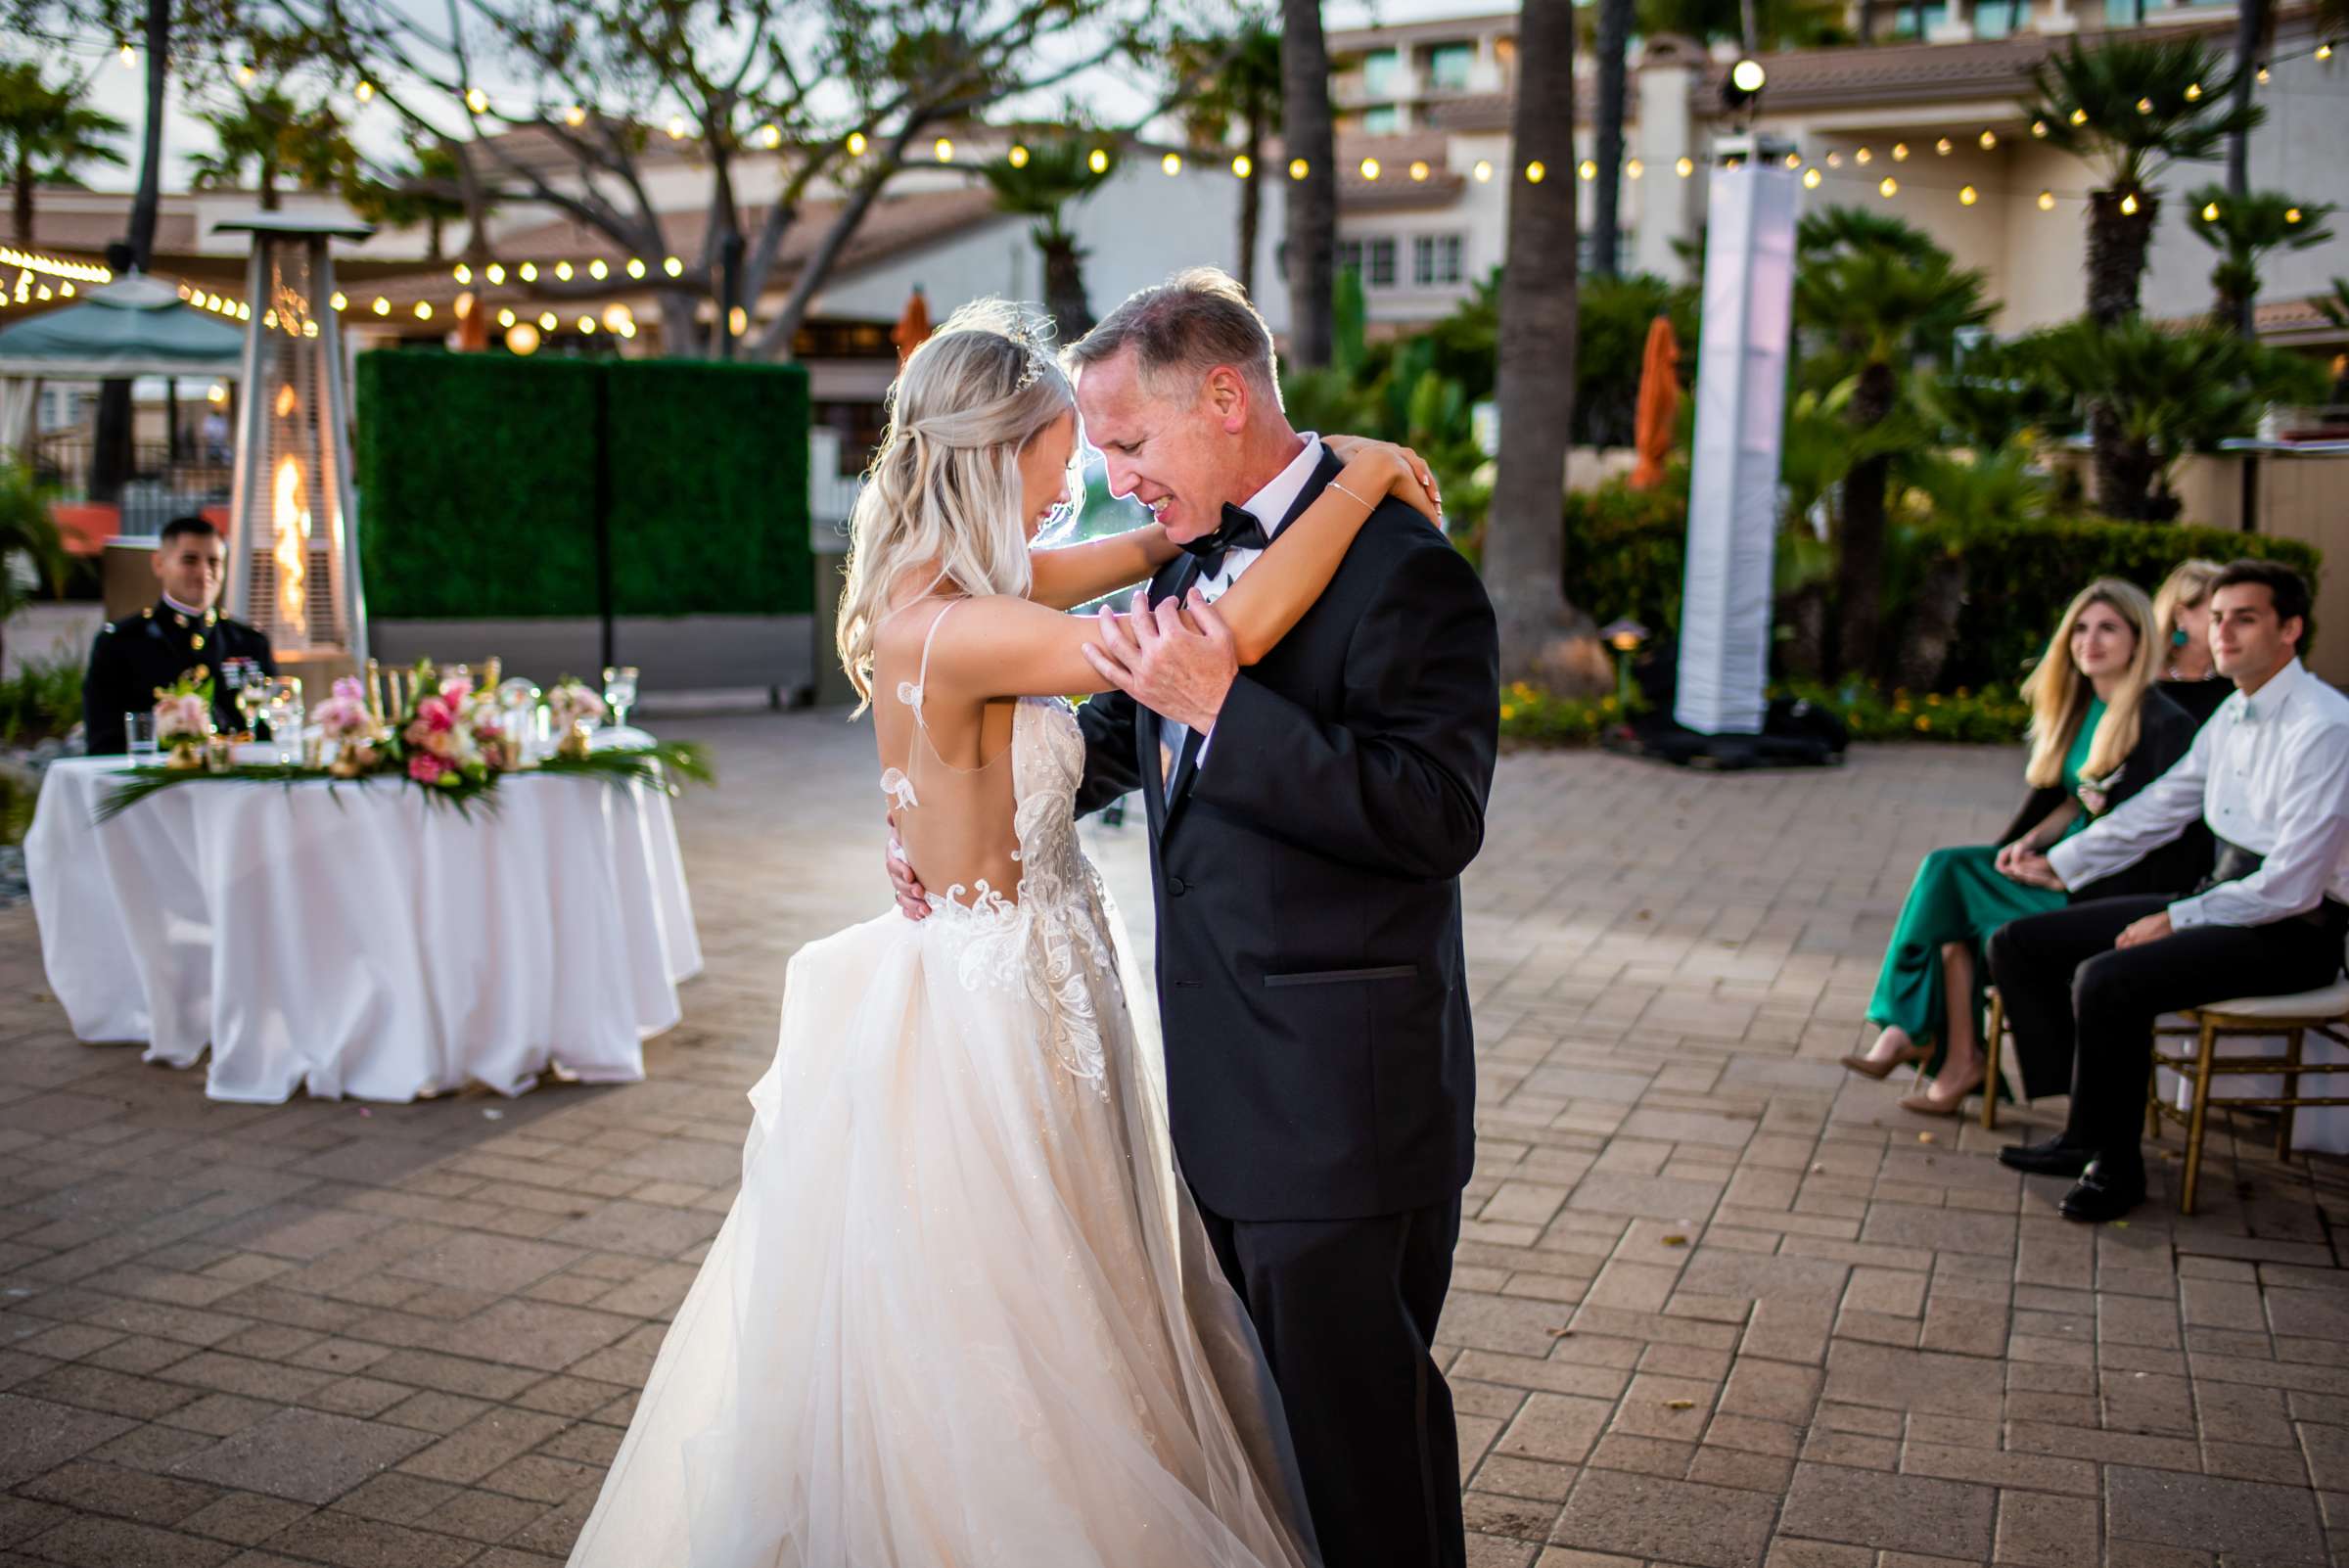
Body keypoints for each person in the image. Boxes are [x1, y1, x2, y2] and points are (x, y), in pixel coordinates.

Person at [566, 298, 1450, 1567]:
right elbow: (1211, 647)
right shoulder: (971, 623)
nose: (1079, 480)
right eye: (1062, 452)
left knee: (1067, 1288)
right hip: (1005, 999)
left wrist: (1194, 516)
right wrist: (1356, 479)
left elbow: (1140, 554)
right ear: (998, 449)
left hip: (1008, 960)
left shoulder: (933, 590)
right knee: (1032, 1310)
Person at [891, 268, 1498, 1568]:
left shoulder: (1402, 567)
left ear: (1222, 397)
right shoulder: (1202, 558)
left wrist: (1233, 711)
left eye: (1125, 443)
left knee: (1367, 1447)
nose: (1112, 477)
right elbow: (1114, 728)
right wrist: (972, 833)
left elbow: (1438, 814)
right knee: (1289, 1444)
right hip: (1216, 1109)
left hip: (1341, 1111)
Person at [1990, 559, 2349, 1223]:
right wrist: (2063, 861)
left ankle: (2116, 1167)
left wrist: (2180, 918)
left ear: (2291, 628)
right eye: (2216, 618)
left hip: (2295, 931)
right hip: (2226, 899)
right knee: (2018, 942)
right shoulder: (2232, 714)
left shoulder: (2324, 727)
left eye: (2245, 618)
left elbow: (2295, 884)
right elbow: (2162, 807)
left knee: (2107, 979)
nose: (2223, 633)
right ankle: (2085, 1125)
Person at [1840, 579, 2201, 1116]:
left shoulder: (2162, 721)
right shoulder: (2080, 708)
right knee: (1952, 924)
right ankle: (1957, 1058)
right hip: (2058, 864)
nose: (2090, 641)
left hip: (2103, 889)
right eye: (2080, 628)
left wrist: (2056, 865)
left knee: (1949, 881)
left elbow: (2153, 831)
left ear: (2137, 640)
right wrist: (2026, 844)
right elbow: (2071, 799)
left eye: (2108, 628)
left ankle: (1909, 1031)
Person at [82, 515, 274, 754]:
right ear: (159, 564)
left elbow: (269, 735)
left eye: (214, 561)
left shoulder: (249, 643)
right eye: (190, 560)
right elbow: (104, 742)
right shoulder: (120, 643)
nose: (204, 571)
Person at [2152, 558, 2230, 726]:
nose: (2228, 624)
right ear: (2180, 615)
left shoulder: (2237, 681)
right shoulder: (2144, 681)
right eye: (2217, 614)